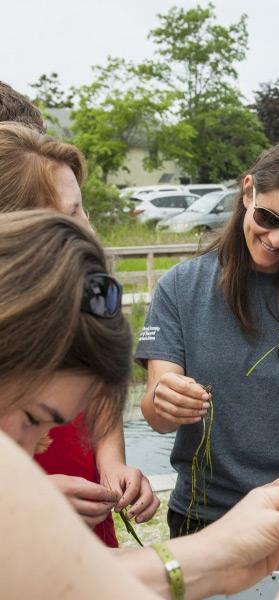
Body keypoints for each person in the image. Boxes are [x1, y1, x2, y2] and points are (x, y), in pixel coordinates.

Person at [0, 209, 279, 600]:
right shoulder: (182, 287)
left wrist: (221, 550)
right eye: (35, 418)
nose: (30, 453)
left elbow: (85, 583)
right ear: (248, 193)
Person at [137, 136, 279, 537]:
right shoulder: (180, 287)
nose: (278, 240)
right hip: (200, 516)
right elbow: (156, 414)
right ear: (248, 192)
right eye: (268, 218)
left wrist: (277, 498)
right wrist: (166, 401)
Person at [0, 121, 159, 547]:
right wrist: (24, 497)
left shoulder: (92, 286)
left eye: (83, 210)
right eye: (70, 214)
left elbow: (103, 386)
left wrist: (112, 464)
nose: (89, 229)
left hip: (81, 498)